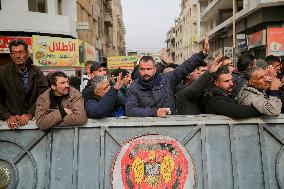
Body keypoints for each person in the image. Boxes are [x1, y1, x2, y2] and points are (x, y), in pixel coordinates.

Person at [125, 34, 210, 117]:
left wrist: (202, 55)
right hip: (148, 129)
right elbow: (130, 110)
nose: (145, 72)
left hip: (170, 126)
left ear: (155, 69)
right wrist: (154, 112)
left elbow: (184, 67)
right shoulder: (134, 87)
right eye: (143, 69)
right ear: (139, 70)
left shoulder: (167, 79)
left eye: (149, 69)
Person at [0, 39, 48, 129]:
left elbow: (44, 96)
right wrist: (8, 116)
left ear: (27, 53)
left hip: (33, 123)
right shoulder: (2, 73)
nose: (18, 56)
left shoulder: (36, 71)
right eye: (14, 53)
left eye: (21, 52)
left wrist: (30, 114)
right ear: (10, 55)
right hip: (9, 125)